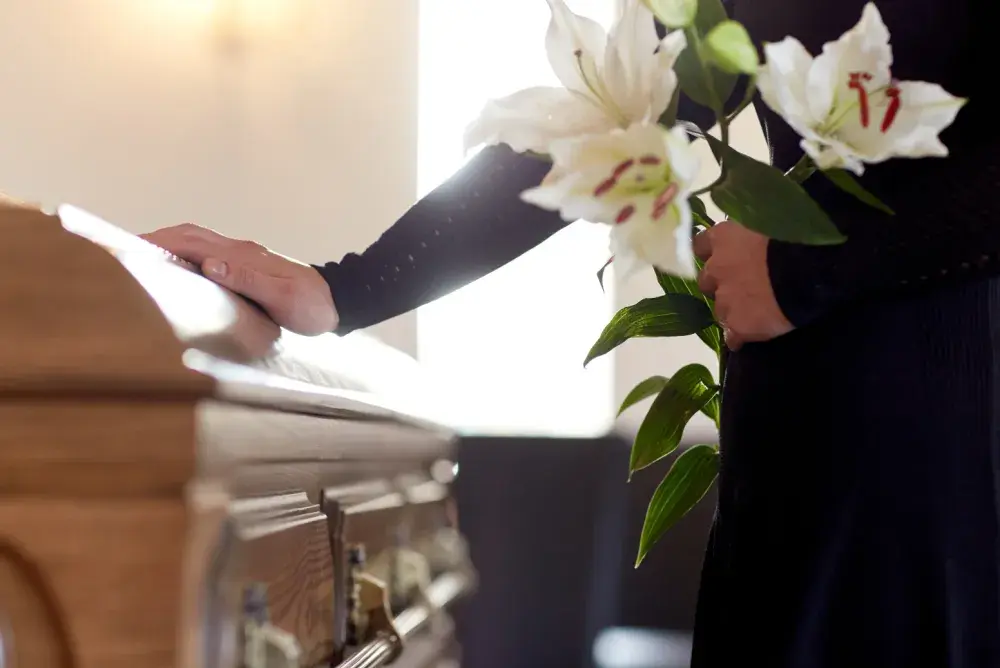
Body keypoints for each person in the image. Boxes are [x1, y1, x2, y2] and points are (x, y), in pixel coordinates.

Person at [145, 0, 997, 665]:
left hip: (962, 431)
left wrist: (816, 267)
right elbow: (609, 117)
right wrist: (346, 286)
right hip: (809, 432)